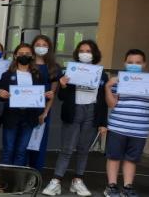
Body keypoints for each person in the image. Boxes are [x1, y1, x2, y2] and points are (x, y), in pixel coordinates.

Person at [43, 40, 109, 197]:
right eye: (82, 50)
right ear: (77, 53)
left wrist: (102, 122)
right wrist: (63, 85)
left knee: (83, 149)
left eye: (88, 51)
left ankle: (77, 180)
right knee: (67, 148)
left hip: (92, 111)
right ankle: (56, 181)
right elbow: (63, 97)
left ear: (94, 54)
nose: (85, 53)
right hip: (74, 111)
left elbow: (103, 100)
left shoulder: (102, 74)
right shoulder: (70, 71)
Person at [0, 43, 52, 166]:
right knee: (8, 150)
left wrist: (46, 96)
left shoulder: (38, 75)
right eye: (21, 53)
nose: (24, 56)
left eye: (27, 54)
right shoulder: (6, 75)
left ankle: (17, 181)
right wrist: (0, 94)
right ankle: (5, 179)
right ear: (15, 56)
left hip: (29, 117)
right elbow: (1, 96)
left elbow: (40, 96)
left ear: (32, 56)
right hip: (11, 117)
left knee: (21, 151)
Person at [103, 49, 147, 197]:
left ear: (144, 64)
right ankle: (111, 186)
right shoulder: (118, 80)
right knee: (114, 157)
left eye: (138, 62)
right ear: (125, 63)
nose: (134, 65)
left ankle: (127, 187)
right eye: (130, 62)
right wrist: (108, 87)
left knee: (131, 160)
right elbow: (111, 104)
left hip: (139, 129)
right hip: (117, 127)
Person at [28, 34, 62, 171]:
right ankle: (21, 174)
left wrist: (45, 113)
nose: (41, 48)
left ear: (49, 48)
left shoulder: (54, 67)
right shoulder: (27, 65)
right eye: (38, 45)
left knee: (38, 143)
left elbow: (52, 94)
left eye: (44, 45)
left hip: (43, 112)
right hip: (25, 110)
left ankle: (36, 174)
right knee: (23, 142)